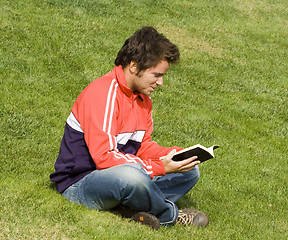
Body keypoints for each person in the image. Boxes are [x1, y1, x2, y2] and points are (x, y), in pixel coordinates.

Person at [50, 26, 209, 229]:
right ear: (134, 66)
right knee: (131, 177)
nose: (160, 83)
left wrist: (173, 155)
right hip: (79, 183)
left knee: (189, 170)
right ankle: (170, 215)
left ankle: (131, 206)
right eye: (156, 75)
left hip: (117, 175)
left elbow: (142, 147)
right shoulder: (102, 93)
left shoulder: (143, 99)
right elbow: (105, 157)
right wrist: (160, 167)